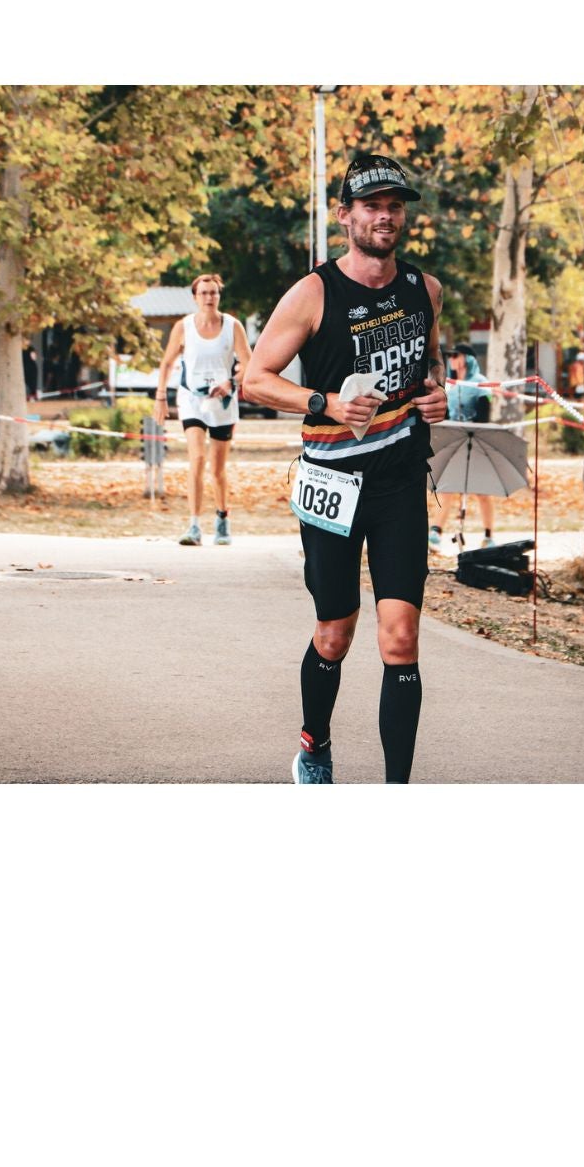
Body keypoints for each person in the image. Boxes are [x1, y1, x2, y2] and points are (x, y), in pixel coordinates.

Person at [243, 153, 448, 784]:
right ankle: (315, 744)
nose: (385, 217)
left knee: (400, 638)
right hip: (332, 483)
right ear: (345, 216)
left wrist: (437, 393)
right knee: (334, 633)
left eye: (394, 206)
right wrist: (323, 403)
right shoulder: (314, 293)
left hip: (399, 481)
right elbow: (254, 379)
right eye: (371, 206)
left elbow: (429, 365)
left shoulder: (425, 290)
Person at [155, 274, 252, 546]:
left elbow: (249, 364)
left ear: (219, 296)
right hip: (192, 400)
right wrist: (160, 396)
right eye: (204, 293)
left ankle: (222, 519)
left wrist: (230, 382)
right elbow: (167, 363)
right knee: (197, 458)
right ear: (195, 297)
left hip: (222, 403)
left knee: (217, 469)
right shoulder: (183, 327)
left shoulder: (232, 326)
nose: (209, 298)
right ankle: (194, 526)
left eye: (213, 293)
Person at [429, 343, 497, 550]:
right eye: (449, 356)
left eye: (455, 356)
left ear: (467, 359)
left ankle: (488, 535)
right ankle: (436, 532)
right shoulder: (450, 384)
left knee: (482, 491)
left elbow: (484, 415)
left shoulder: (481, 383)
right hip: (455, 442)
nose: (451, 360)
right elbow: (446, 414)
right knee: (447, 488)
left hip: (477, 441)